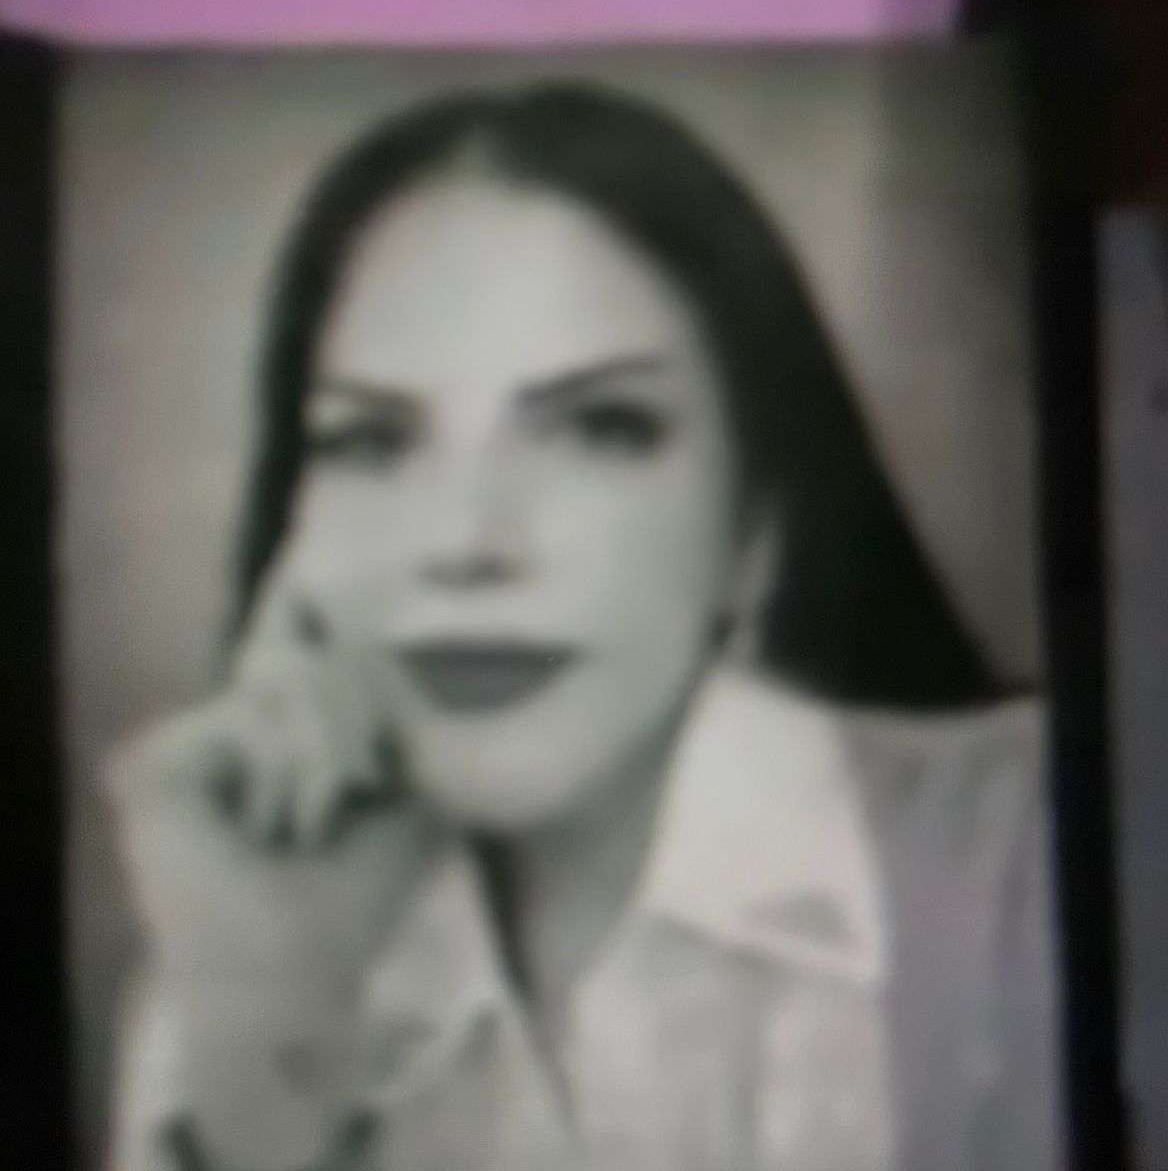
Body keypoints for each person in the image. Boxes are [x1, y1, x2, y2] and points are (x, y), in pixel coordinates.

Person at [105, 81, 1062, 1171]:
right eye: (371, 441)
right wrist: (274, 1042)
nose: (466, 542)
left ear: (754, 530)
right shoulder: (235, 953)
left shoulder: (1040, 847)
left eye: (603, 428)